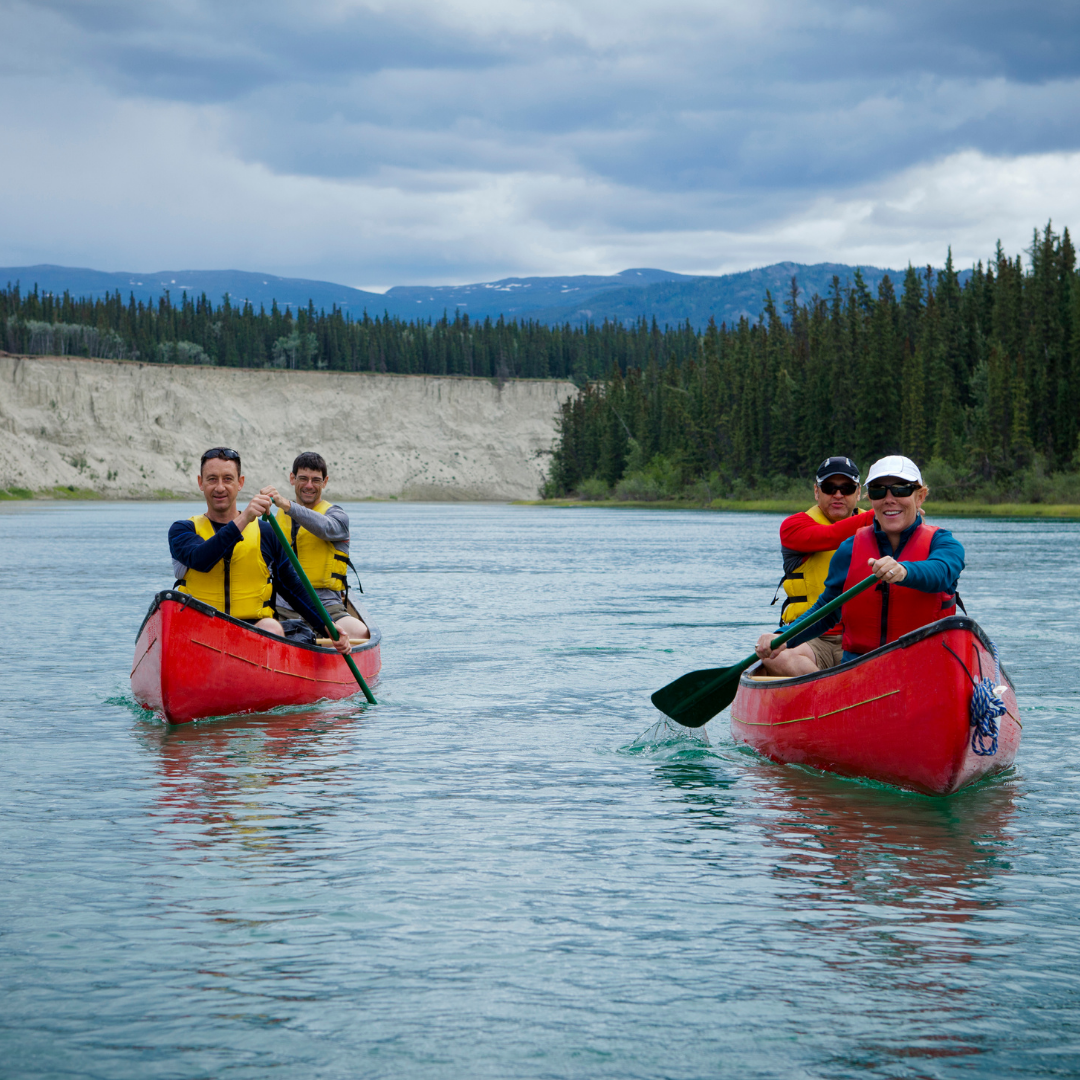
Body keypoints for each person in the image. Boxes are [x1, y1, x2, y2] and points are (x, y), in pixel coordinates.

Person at [756, 455, 964, 668]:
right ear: (871, 499)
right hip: (860, 670)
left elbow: (942, 572)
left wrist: (904, 571)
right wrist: (783, 636)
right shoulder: (849, 549)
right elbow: (827, 610)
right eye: (878, 490)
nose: (889, 498)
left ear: (920, 497)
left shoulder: (944, 543)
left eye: (901, 489)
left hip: (924, 665)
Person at [168, 447, 351, 655]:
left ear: (240, 483)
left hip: (251, 633)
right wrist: (244, 518)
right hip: (199, 631)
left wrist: (326, 626)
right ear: (201, 483)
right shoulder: (182, 530)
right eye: (212, 479)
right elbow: (201, 559)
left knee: (271, 627)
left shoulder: (266, 533)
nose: (220, 487)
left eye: (228, 479)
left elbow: (292, 588)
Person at [762, 456, 874, 675]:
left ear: (858, 492)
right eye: (829, 487)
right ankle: (829, 694)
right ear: (817, 492)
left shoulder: (882, 526)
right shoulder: (794, 526)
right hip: (809, 638)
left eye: (847, 488)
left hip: (862, 638)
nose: (838, 495)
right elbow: (832, 535)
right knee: (778, 656)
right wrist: (887, 514)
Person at [261, 451, 370, 642]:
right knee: (264, 630)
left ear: (325, 482)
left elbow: (325, 528)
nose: (309, 486)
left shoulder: (337, 517)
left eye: (316, 480)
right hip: (284, 608)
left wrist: (287, 505)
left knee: (360, 633)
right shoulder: (275, 518)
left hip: (327, 606)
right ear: (292, 479)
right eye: (303, 478)